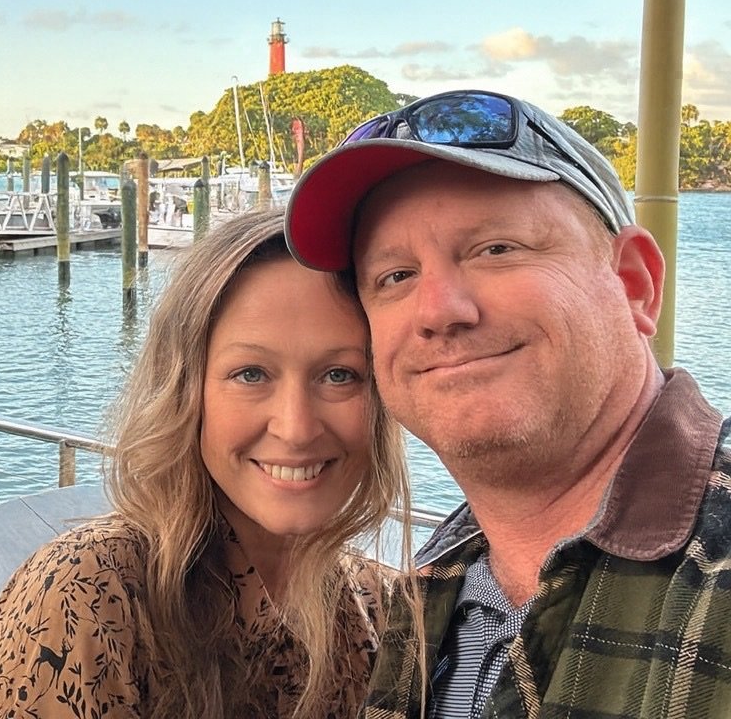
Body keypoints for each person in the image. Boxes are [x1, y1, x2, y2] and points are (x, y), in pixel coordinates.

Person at [285, 89, 731, 718]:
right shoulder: (437, 581)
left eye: (496, 249)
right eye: (395, 277)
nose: (440, 311)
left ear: (634, 283)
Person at [0, 209, 419, 719]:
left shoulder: (383, 608)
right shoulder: (90, 597)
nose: (297, 427)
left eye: (338, 375)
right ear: (185, 392)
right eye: (250, 373)